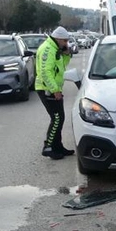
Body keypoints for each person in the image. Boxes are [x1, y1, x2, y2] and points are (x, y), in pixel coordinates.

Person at [35, 26, 74, 160]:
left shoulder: (55, 48)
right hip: (47, 89)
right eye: (64, 41)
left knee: (59, 118)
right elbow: (45, 72)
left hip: (53, 88)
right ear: (58, 39)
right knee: (57, 118)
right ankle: (49, 146)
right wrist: (54, 90)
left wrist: (66, 54)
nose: (66, 43)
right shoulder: (47, 49)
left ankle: (58, 146)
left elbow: (62, 66)